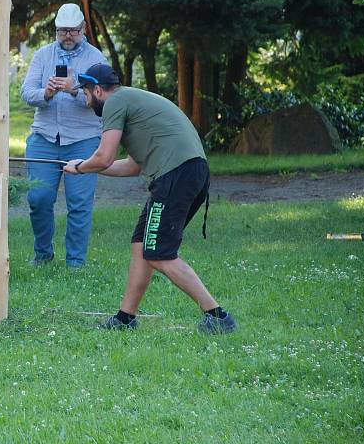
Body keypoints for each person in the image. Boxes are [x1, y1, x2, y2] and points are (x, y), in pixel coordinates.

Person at [63, 63, 237, 334]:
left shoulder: (115, 103)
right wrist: (86, 166)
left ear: (97, 89)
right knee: (142, 244)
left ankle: (218, 316)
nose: (86, 100)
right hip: (186, 173)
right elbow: (132, 166)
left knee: (159, 253)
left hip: (176, 175)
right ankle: (125, 318)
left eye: (85, 93)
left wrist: (80, 167)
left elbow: (104, 157)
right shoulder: (132, 102)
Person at [20, 3, 108, 269]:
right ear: (55, 30)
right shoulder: (43, 55)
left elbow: (102, 100)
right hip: (44, 137)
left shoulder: (96, 60)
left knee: (79, 204)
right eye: (62, 31)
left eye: (72, 30)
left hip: (83, 139)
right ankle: (43, 254)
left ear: (83, 29)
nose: (67, 35)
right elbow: (26, 93)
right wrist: (46, 94)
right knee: (38, 199)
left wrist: (74, 90)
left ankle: (75, 263)